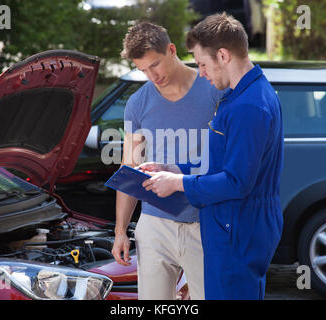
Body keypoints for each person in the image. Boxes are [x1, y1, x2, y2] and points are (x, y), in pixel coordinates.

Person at [140, 13, 284, 300]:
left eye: (203, 64)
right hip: (233, 225)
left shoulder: (249, 106)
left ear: (223, 55)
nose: (201, 73)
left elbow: (237, 182)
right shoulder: (239, 97)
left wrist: (178, 183)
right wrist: (172, 168)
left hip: (237, 228)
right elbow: (219, 161)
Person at [111, 21, 222, 300]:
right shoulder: (138, 103)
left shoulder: (213, 90)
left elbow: (228, 159)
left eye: (155, 65)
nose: (151, 75)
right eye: (143, 70)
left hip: (204, 223)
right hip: (154, 225)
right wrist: (120, 231)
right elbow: (130, 169)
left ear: (172, 50)